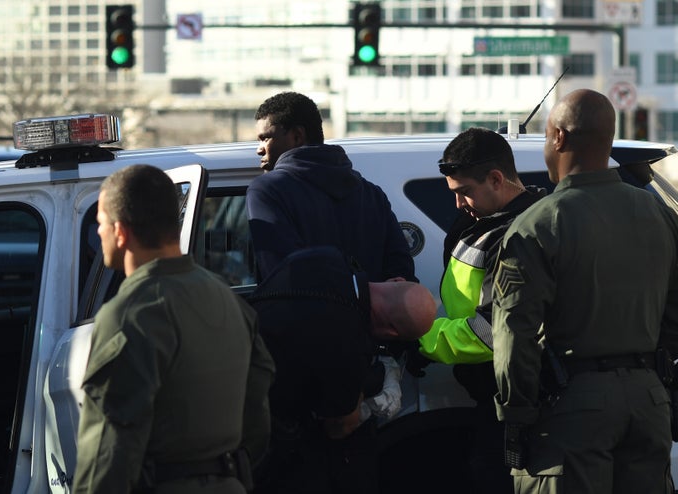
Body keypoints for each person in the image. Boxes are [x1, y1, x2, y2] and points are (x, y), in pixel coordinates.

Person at [491, 88, 678, 493]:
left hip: (573, 407)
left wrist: (517, 415)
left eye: (545, 137)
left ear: (559, 137)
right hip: (649, 402)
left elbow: (515, 333)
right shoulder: (658, 212)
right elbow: (675, 314)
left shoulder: (538, 224)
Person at [73, 164, 275, 494]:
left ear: (121, 232)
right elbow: (257, 411)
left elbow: (109, 449)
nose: (99, 233)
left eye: (100, 224)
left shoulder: (130, 313)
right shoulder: (227, 299)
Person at [407, 127, 546, 494]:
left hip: (515, 401)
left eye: (464, 192)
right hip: (491, 395)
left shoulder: (516, 234)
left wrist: (419, 339)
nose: (458, 204)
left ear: (496, 179)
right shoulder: (482, 221)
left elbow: (491, 331)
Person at [248, 245, 436, 494]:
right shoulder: (348, 346)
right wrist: (366, 402)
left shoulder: (326, 257)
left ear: (396, 281)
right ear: (392, 333)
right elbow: (339, 426)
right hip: (263, 423)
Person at [245, 90, 415, 284]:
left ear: (297, 136)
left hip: (305, 314)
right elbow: (402, 276)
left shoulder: (267, 191)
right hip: (372, 314)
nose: (259, 149)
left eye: (265, 138)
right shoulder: (372, 194)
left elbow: (280, 279)